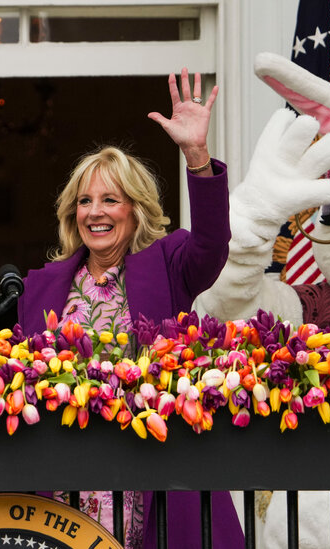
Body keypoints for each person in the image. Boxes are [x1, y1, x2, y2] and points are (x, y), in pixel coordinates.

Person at [16, 70, 243, 548]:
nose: (95, 212)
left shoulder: (167, 265)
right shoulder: (43, 286)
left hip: (150, 477)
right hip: (65, 486)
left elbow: (212, 243)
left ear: (135, 210)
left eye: (110, 200)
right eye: (85, 201)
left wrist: (196, 156)